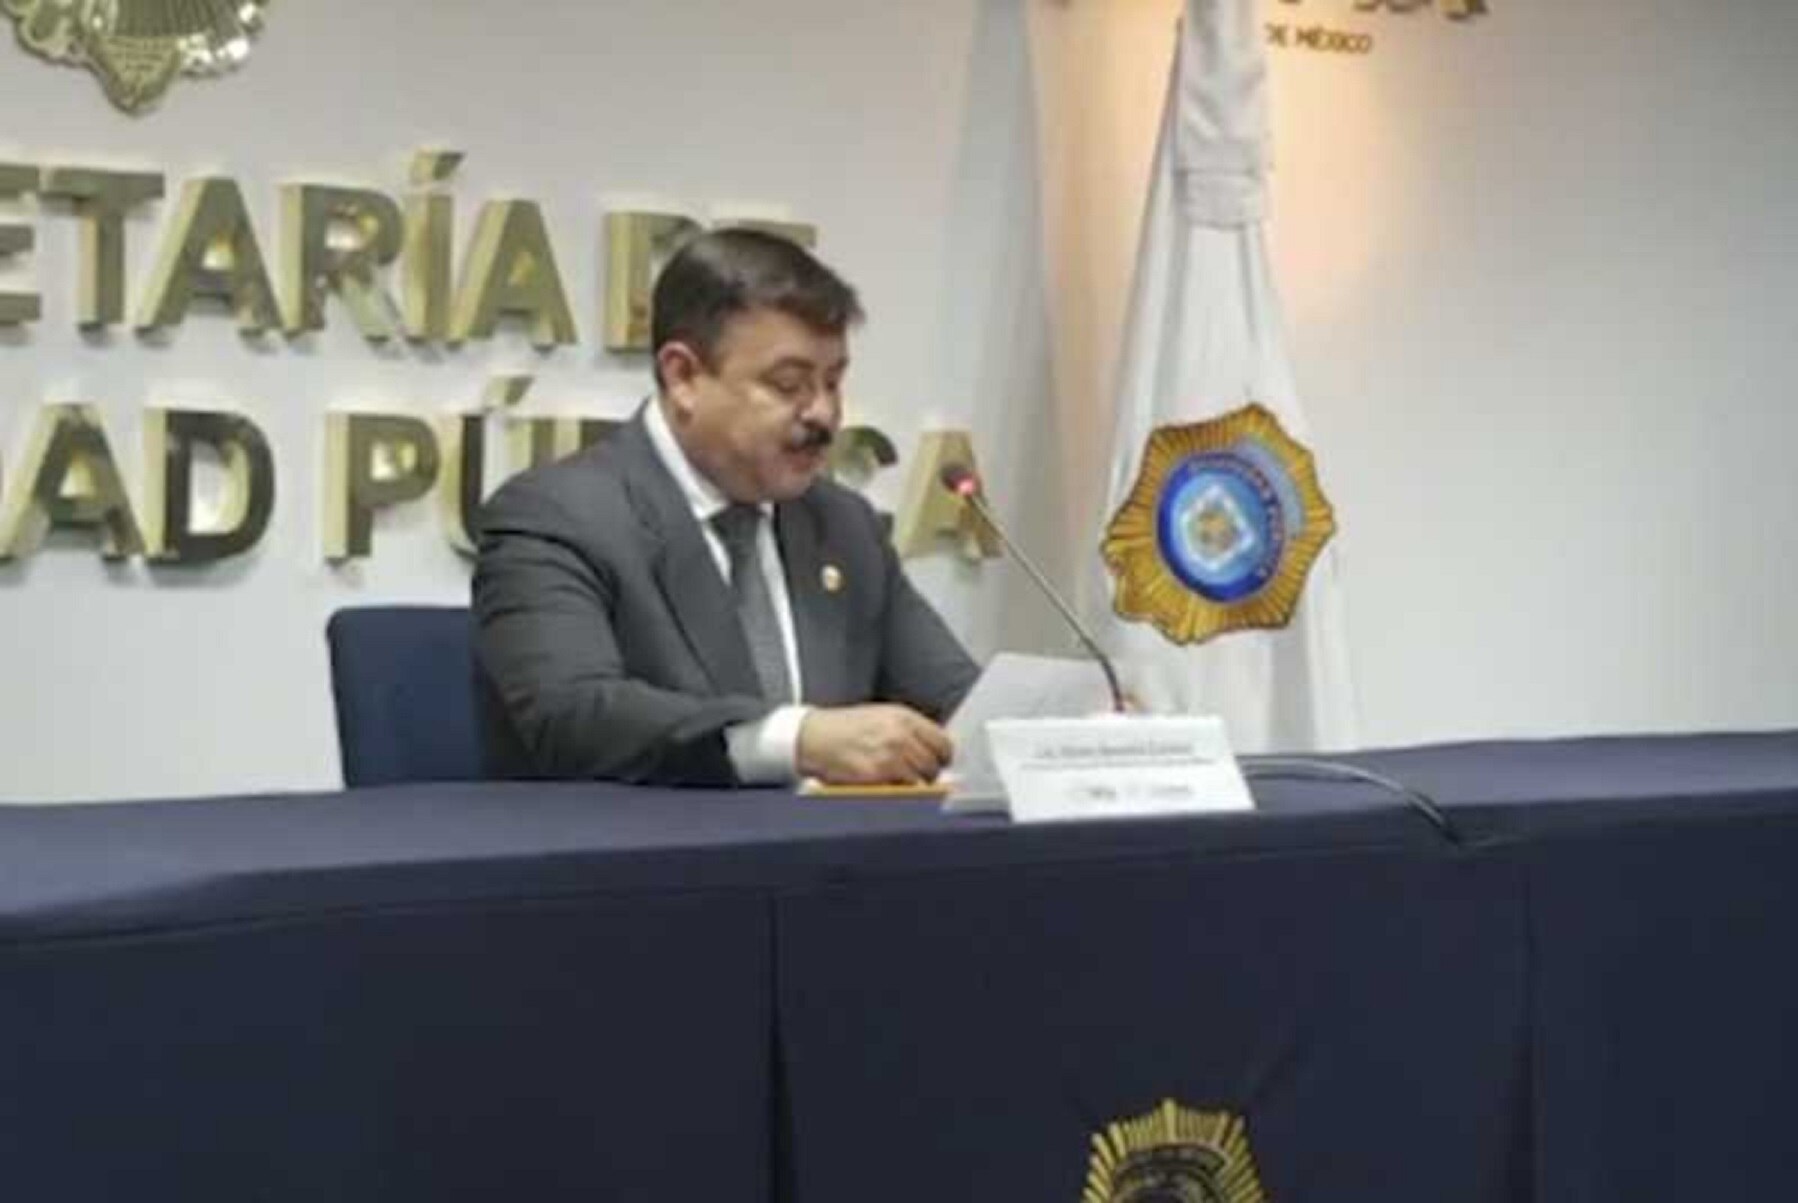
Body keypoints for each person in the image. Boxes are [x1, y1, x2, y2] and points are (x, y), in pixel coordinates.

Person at [473, 229, 979, 787]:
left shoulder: (843, 525)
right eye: (789, 384)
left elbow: (954, 698)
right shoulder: (559, 517)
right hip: (647, 843)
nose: (824, 414)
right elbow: (573, 715)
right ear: (683, 377)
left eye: (833, 382)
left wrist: (1036, 738)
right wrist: (795, 741)